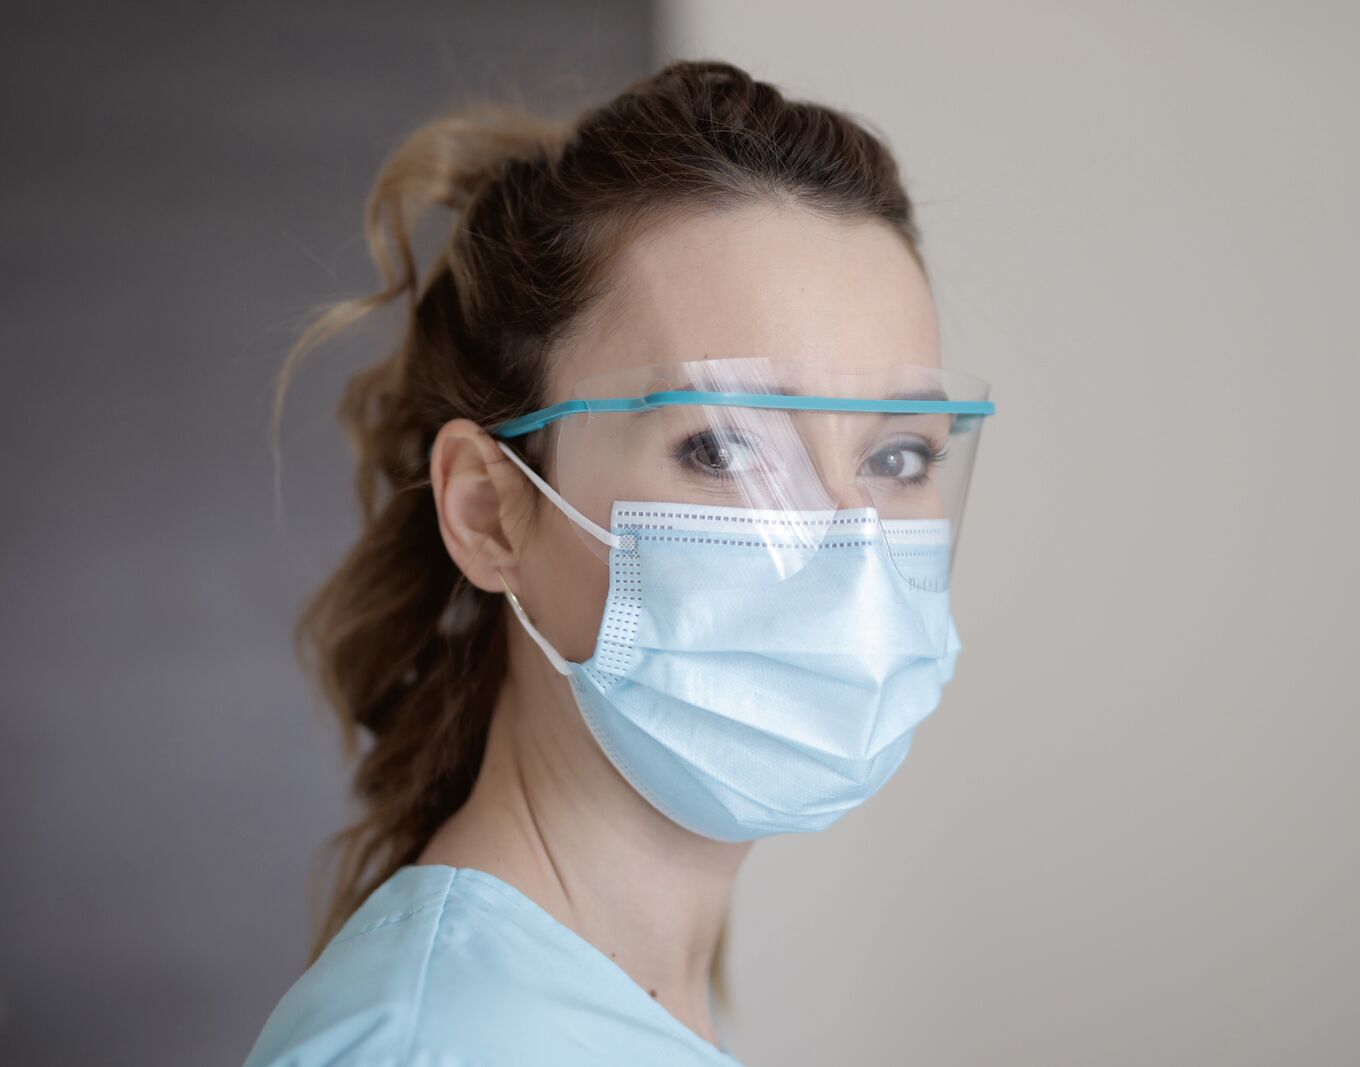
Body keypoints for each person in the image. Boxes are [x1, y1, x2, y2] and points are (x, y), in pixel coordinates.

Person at [242, 58, 995, 1066]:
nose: (849, 552)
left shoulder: (609, 1003)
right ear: (489, 512)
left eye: (897, 455)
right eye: (722, 448)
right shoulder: (430, 1046)